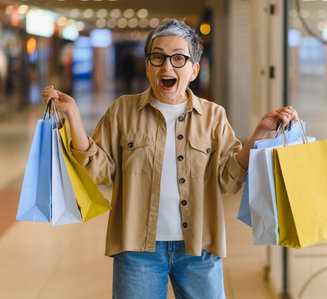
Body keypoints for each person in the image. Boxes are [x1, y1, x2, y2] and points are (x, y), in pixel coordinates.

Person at [42, 19, 298, 299]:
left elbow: (228, 180)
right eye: (158, 57)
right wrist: (74, 117)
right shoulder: (122, 111)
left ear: (194, 70)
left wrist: (260, 132)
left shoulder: (214, 116)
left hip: (199, 248)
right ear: (147, 66)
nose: (167, 67)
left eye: (178, 58)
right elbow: (100, 172)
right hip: (136, 250)